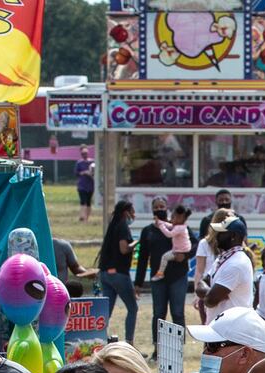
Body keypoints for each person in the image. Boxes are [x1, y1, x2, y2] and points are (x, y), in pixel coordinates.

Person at [137, 201, 191, 341]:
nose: (159, 210)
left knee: (178, 313)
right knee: (159, 313)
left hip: (178, 275)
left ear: (167, 209)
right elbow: (142, 257)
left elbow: (195, 244)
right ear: (152, 210)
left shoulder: (177, 227)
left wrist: (184, 256)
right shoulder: (148, 231)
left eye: (162, 207)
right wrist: (138, 282)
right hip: (158, 278)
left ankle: (178, 348)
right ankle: (158, 348)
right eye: (156, 207)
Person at [98, 200, 141, 345]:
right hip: (119, 275)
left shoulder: (113, 226)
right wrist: (136, 242)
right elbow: (124, 248)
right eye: (132, 212)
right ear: (126, 212)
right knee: (132, 308)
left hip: (105, 274)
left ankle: (98, 339)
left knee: (106, 312)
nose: (133, 216)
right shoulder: (123, 226)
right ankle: (129, 343)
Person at [202, 215, 254, 326]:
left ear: (233, 236)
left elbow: (210, 300)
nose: (217, 236)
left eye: (221, 233)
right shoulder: (223, 258)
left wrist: (210, 295)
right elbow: (201, 284)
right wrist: (210, 293)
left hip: (231, 331)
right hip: (220, 327)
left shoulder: (236, 264)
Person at [75, 147, 95, 223]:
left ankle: (87, 217)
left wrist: (91, 173)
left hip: (90, 185)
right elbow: (76, 173)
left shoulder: (92, 162)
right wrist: (84, 172)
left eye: (85, 153)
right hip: (82, 186)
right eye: (83, 154)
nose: (84, 155)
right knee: (83, 201)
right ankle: (82, 216)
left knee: (89, 202)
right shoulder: (79, 163)